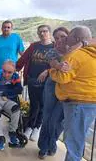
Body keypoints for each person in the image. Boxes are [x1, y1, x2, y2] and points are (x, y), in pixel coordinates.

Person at [49, 26, 96, 161]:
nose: (66, 38)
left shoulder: (75, 55)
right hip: (91, 103)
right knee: (80, 138)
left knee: (73, 142)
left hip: (76, 103)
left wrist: (52, 71)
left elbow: (63, 78)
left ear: (75, 38)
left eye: (68, 36)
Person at [16, 25, 54, 142]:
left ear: (49, 32)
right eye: (40, 32)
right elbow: (23, 58)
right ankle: (30, 127)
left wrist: (47, 71)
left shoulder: (54, 46)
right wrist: (14, 68)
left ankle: (37, 127)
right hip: (32, 79)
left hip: (47, 82)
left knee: (43, 105)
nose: (42, 34)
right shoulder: (34, 46)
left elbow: (60, 63)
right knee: (34, 104)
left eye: (45, 31)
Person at [37, 27, 70, 159]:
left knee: (59, 121)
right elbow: (54, 62)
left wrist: (80, 44)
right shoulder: (52, 51)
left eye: (62, 36)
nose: (59, 40)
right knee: (47, 117)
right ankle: (44, 147)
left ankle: (52, 143)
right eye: (56, 38)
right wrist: (59, 66)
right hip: (52, 85)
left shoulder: (76, 51)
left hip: (68, 88)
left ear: (69, 36)